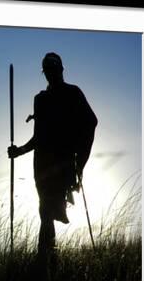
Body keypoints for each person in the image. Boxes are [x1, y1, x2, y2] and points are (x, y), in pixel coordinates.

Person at [8, 52, 98, 264]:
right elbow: (38, 137)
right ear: (45, 72)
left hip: (63, 162)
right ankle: (49, 260)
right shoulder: (40, 100)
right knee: (45, 211)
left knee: (46, 211)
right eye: (47, 70)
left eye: (54, 68)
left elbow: (91, 122)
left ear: (61, 69)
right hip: (41, 166)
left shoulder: (73, 93)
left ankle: (45, 261)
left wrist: (79, 162)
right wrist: (18, 151)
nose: (51, 73)